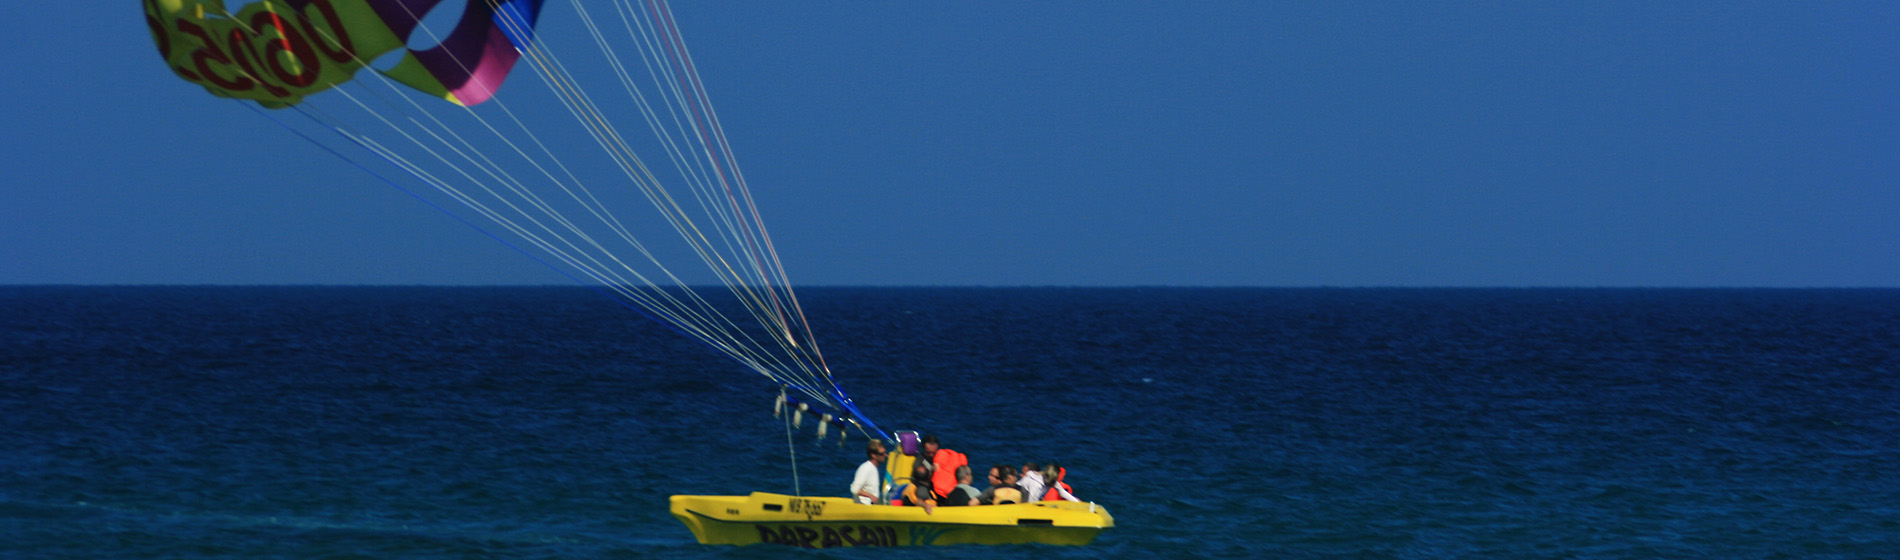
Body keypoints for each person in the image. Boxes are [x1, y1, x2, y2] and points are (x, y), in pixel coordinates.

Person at [921, 435, 967, 500]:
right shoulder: (920, 462)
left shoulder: (940, 456)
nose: (931, 455)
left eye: (933, 453)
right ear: (923, 448)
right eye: (928, 453)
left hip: (945, 493)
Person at [850, 440, 887, 504]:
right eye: (881, 454)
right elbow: (854, 489)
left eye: (885, 453)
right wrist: (872, 497)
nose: (885, 455)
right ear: (873, 455)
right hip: (864, 508)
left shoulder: (874, 468)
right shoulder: (866, 468)